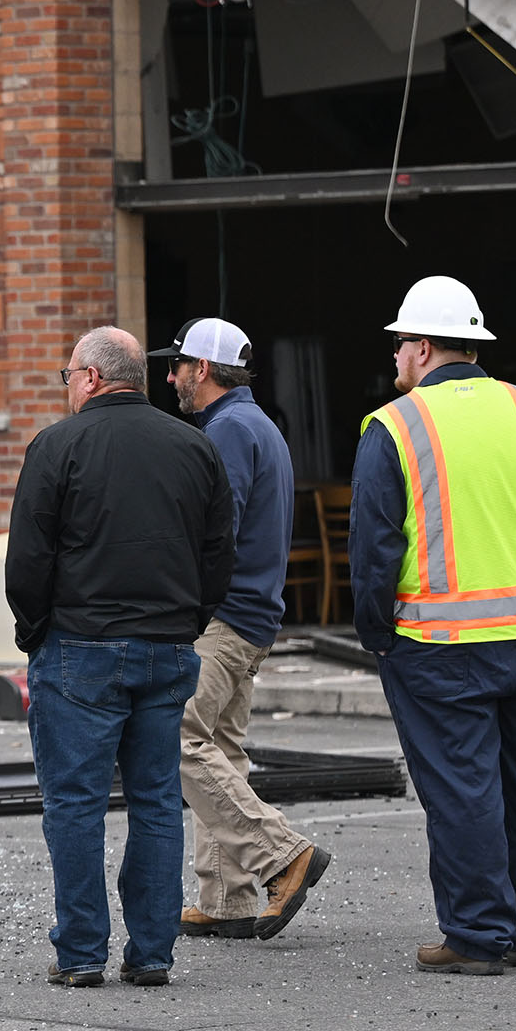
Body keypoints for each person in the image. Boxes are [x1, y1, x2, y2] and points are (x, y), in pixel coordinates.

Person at [350, 276, 516, 976]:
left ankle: (477, 935)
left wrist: (377, 634)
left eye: (400, 343)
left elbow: (373, 550)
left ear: (423, 347)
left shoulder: (395, 426)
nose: (395, 355)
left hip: (434, 643)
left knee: (462, 789)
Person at [4, 325, 234, 987]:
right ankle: (153, 952)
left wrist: (36, 631)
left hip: (78, 648)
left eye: (68, 376)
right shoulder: (194, 447)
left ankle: (80, 953)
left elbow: (28, 560)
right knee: (157, 801)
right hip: (166, 649)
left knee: (74, 804)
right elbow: (220, 551)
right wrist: (191, 619)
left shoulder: (55, 447)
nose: (68, 387)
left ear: (93, 378)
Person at [151, 317, 330, 942]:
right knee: (220, 748)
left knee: (177, 738)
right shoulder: (258, 425)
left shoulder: (225, 432)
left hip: (222, 619)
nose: (170, 375)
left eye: (177, 364)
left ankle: (282, 853)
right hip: (253, 617)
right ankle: (226, 899)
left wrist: (178, 606)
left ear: (202, 370)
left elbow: (214, 537)